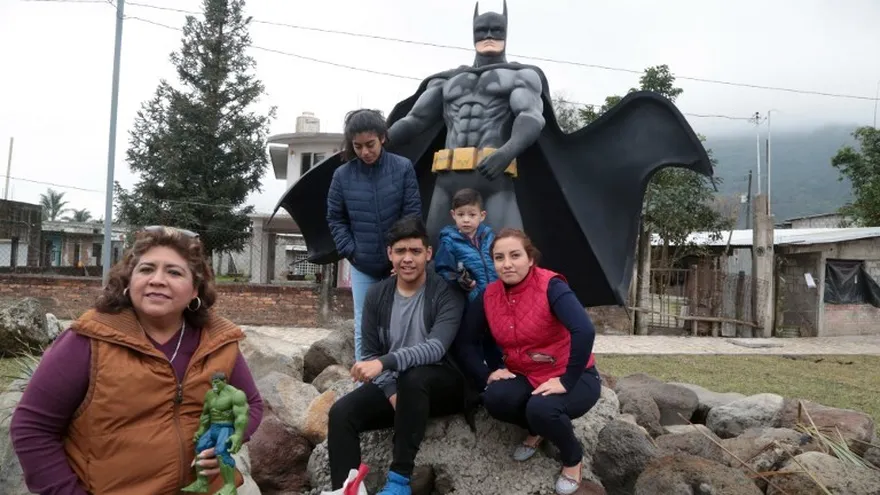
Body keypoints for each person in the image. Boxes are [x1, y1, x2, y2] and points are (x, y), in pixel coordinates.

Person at [10, 226, 264, 495]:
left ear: (194, 290)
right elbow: (32, 428)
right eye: (146, 269)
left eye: (174, 272)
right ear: (129, 281)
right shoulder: (88, 340)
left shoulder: (217, 341)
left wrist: (225, 442)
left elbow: (251, 404)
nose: (157, 279)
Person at [326, 215, 466, 495]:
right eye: (400, 251)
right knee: (342, 413)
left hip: (442, 385)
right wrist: (391, 392)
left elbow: (435, 348)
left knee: (415, 377)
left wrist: (383, 363)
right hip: (398, 386)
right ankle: (347, 489)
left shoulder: (446, 293)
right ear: (390, 254)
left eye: (415, 251)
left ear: (428, 254)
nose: (408, 259)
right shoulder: (377, 294)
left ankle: (399, 481)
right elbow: (369, 351)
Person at [456, 228, 601, 495]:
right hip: (525, 373)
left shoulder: (551, 286)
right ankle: (537, 429)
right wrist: (486, 374)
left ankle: (572, 458)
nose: (507, 263)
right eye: (499, 257)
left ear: (530, 258)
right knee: (495, 399)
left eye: (515, 255)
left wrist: (567, 380)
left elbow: (585, 330)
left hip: (575, 375)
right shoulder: (489, 296)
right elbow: (465, 341)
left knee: (542, 409)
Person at [327, 109, 422, 361]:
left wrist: (401, 256)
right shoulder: (342, 175)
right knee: (363, 324)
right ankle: (364, 385)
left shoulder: (403, 168)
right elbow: (335, 218)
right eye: (357, 146)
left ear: (382, 137)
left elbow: (411, 216)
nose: (365, 152)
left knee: (402, 323)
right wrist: (351, 250)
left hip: (400, 264)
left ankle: (400, 380)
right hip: (362, 264)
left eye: (370, 144)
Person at [434, 187, 503, 368]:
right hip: (471, 300)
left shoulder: (490, 237)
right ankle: (479, 382)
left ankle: (501, 374)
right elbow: (443, 268)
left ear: (482, 215)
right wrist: (459, 280)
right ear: (453, 215)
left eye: (471, 214)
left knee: (497, 342)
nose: (466, 219)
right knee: (474, 343)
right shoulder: (449, 240)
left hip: (496, 299)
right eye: (461, 214)